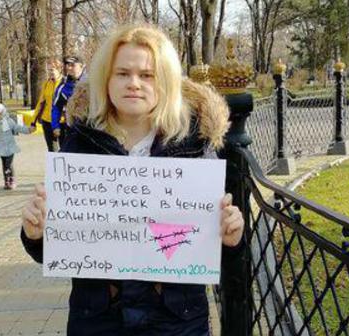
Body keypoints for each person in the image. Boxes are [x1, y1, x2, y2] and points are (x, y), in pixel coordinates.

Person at [20, 25, 243, 335]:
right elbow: (58, 248)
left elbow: (214, 249)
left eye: (147, 75)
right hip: (99, 318)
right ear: (106, 80)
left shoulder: (194, 145)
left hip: (177, 319)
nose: (133, 84)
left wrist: (230, 237)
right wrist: (35, 233)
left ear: (165, 81)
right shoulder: (81, 144)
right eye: (122, 73)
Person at [0, 103, 35, 189]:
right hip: (1, 148)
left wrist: (28, 130)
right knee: (4, 165)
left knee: (8, 164)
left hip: (10, 147)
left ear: (3, 112)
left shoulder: (9, 121)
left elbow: (17, 128)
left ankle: (12, 180)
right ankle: (6, 181)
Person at [50, 55, 85, 147]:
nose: (69, 68)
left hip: (92, 128)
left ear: (82, 66)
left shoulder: (93, 82)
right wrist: (55, 126)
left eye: (73, 65)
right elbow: (56, 107)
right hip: (71, 129)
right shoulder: (63, 86)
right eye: (68, 65)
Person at [32, 63, 62, 152]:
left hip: (61, 122)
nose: (50, 72)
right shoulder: (47, 83)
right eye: (49, 70)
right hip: (47, 121)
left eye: (52, 70)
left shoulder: (64, 83)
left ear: (59, 69)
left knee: (65, 150)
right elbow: (40, 103)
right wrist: (33, 121)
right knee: (52, 150)